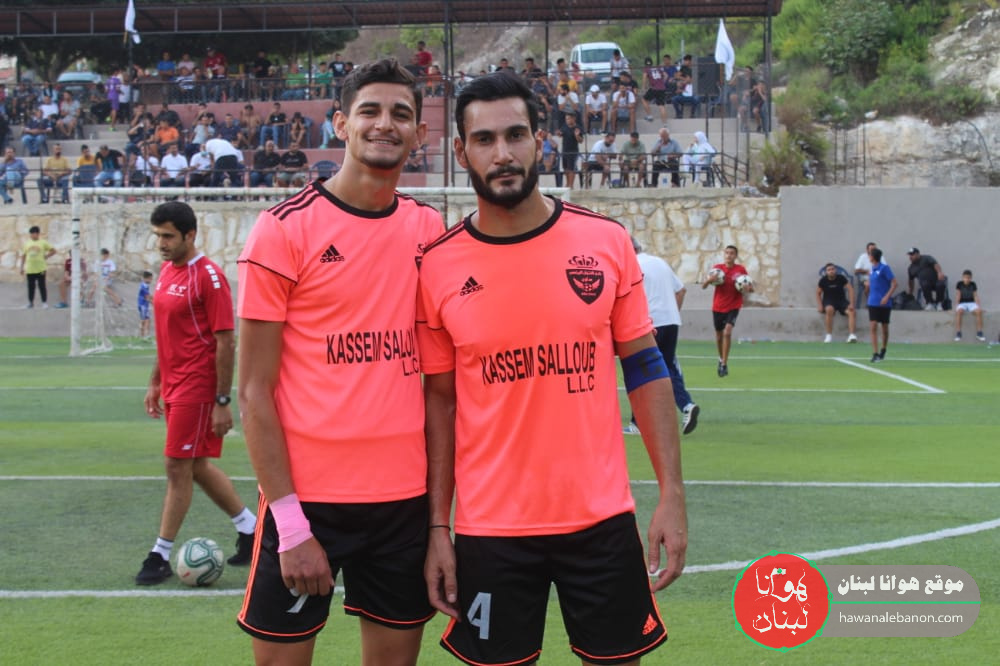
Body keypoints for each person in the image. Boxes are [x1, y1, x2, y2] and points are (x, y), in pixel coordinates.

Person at [419, 71, 686, 666]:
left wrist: (671, 493)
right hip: (490, 528)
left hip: (600, 519)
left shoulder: (605, 241)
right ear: (460, 152)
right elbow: (440, 401)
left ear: (540, 140)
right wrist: (439, 526)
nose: (503, 153)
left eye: (516, 135)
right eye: (484, 139)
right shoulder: (436, 266)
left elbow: (647, 371)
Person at [235, 58, 443, 665]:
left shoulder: (429, 229)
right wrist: (291, 524)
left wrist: (439, 521)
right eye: (369, 111)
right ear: (340, 124)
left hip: (402, 500)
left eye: (400, 113)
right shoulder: (282, 231)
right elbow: (253, 391)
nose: (385, 124)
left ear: (419, 133)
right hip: (307, 500)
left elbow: (442, 383)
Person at [136, 201, 257, 585]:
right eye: (158, 236)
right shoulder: (166, 272)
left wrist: (222, 401)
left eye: (168, 236)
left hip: (197, 386)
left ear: (190, 235)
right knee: (197, 466)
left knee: (177, 466)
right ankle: (251, 530)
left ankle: (159, 555)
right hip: (173, 383)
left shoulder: (209, 278)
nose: (162, 243)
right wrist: (156, 380)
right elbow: (166, 332)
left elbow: (226, 342)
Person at [624, 237, 700, 435]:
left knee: (640, 370)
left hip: (649, 324)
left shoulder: (632, 265)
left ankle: (638, 423)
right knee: (668, 368)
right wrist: (672, 313)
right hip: (671, 321)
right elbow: (681, 290)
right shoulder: (659, 262)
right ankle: (687, 405)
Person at [701, 245, 751, 377]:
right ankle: (720, 358)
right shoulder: (717, 269)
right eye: (727, 253)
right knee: (719, 336)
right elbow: (703, 286)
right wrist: (709, 280)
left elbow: (750, 288)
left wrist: (747, 288)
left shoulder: (740, 270)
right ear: (724, 255)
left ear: (736, 256)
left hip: (734, 306)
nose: (729, 255)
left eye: (732, 253)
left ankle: (724, 364)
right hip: (718, 306)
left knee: (727, 332)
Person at [867, 247, 897, 363]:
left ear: (873, 257)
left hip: (884, 302)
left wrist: (887, 296)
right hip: (873, 302)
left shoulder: (884, 268)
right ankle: (875, 353)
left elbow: (894, 283)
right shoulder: (871, 270)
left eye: (870, 255)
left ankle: (883, 349)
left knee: (884, 327)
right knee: (873, 326)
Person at [816, 262, 858, 343]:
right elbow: (818, 293)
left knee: (852, 312)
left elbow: (850, 289)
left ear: (835, 270)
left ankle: (852, 335)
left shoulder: (841, 278)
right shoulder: (823, 280)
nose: (831, 271)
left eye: (832, 269)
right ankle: (828, 336)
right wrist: (820, 305)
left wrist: (852, 304)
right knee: (829, 309)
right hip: (829, 301)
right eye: (829, 270)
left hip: (841, 301)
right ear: (826, 272)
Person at [20, 225, 56, 309]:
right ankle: (30, 303)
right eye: (31, 234)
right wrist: (21, 267)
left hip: (41, 268)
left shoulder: (43, 242)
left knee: (42, 286)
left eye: (34, 233)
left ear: (37, 234)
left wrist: (47, 256)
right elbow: (23, 256)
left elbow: (53, 251)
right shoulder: (27, 244)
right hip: (30, 269)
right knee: (31, 287)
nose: (32, 235)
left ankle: (44, 302)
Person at [953, 270, 986, 342]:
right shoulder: (959, 284)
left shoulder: (973, 284)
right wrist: (956, 306)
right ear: (962, 277)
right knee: (959, 312)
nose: (967, 279)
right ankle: (958, 333)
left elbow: (975, 296)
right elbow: (958, 295)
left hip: (971, 303)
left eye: (968, 278)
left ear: (971, 278)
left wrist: (979, 307)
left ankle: (979, 333)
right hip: (962, 303)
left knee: (979, 312)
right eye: (965, 277)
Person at [853, 242, 876, 310]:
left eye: (875, 249)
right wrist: (867, 271)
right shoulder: (863, 257)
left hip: (877, 278)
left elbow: (884, 267)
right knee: (868, 285)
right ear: (867, 250)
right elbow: (856, 270)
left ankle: (880, 304)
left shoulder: (880, 256)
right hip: (865, 279)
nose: (873, 251)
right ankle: (871, 304)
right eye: (871, 249)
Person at [138, 270, 153, 338]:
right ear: (145, 278)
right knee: (144, 320)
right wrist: (154, 303)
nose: (151, 280)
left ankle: (146, 334)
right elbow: (147, 297)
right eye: (150, 279)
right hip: (142, 305)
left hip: (145, 305)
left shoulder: (145, 285)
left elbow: (148, 296)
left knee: (148, 319)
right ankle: (142, 335)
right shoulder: (143, 286)